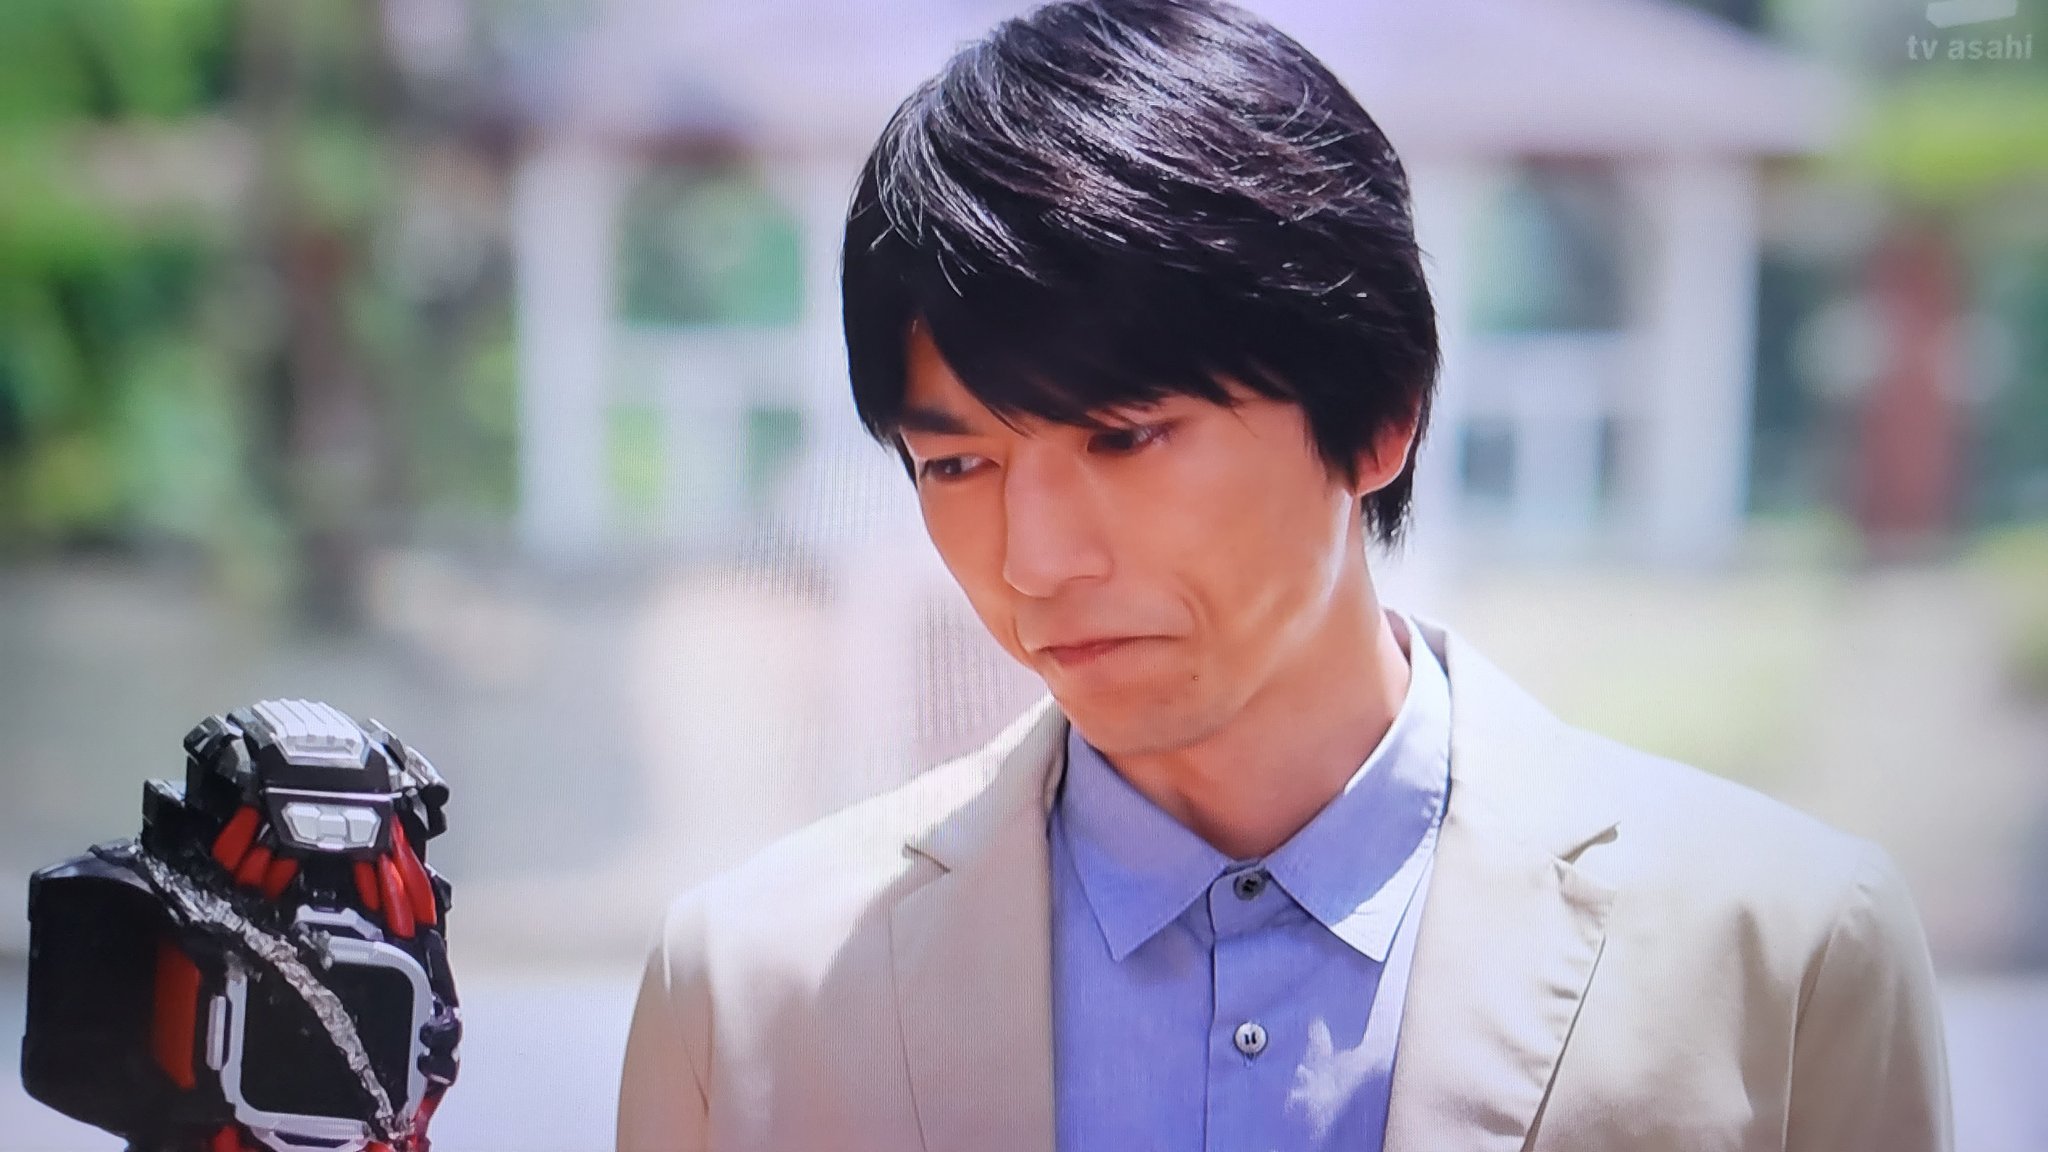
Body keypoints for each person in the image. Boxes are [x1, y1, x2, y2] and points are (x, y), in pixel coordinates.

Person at [616, 1, 1952, 1148]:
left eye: (1125, 437)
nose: (1034, 560)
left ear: (1379, 418)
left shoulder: (1781, 953)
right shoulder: (752, 991)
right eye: (958, 464)